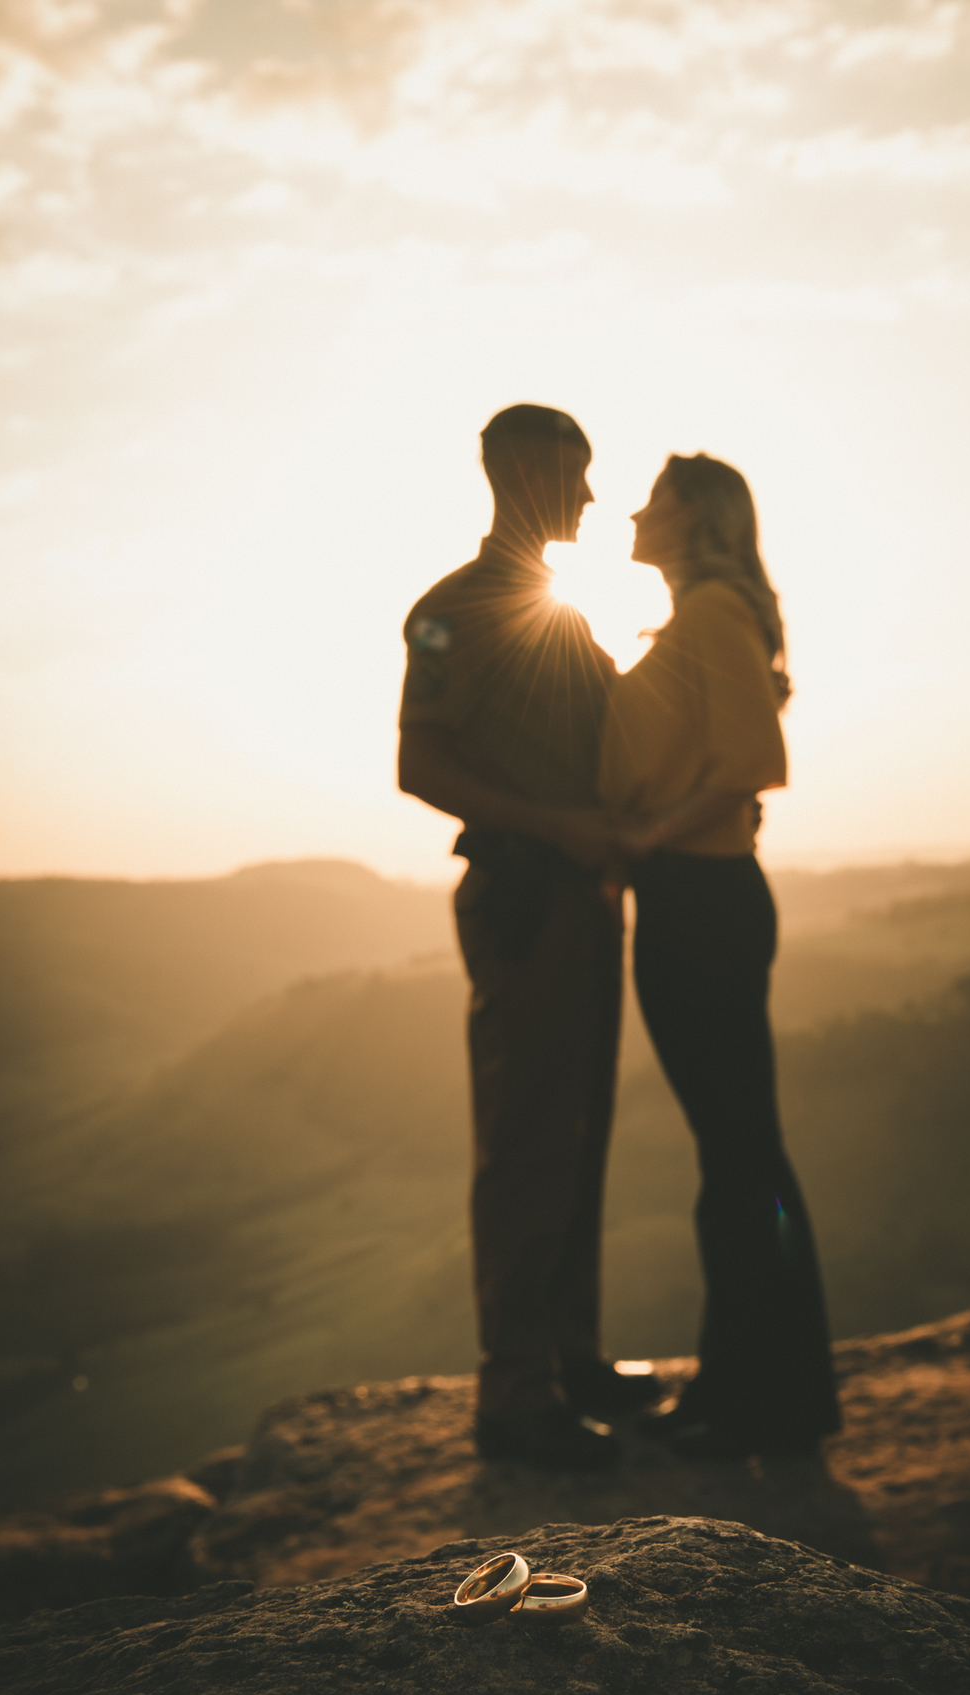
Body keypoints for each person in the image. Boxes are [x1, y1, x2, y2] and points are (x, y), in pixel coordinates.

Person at [397, 403, 661, 1473]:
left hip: (585, 902)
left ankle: (573, 1359)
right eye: (577, 472)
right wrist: (560, 829)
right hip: (522, 902)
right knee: (526, 1140)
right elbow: (420, 766)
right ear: (515, 472)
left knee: (582, 1125)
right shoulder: (447, 613)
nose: (593, 495)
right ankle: (514, 1395)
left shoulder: (567, 617)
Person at [599, 451, 841, 1461]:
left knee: (738, 1154)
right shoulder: (702, 618)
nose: (633, 511)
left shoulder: (708, 617)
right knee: (735, 1154)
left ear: (694, 517)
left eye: (653, 498)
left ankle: (760, 1401)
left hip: (698, 903)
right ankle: (753, 1388)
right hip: (699, 899)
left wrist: (644, 842)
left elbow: (753, 764)